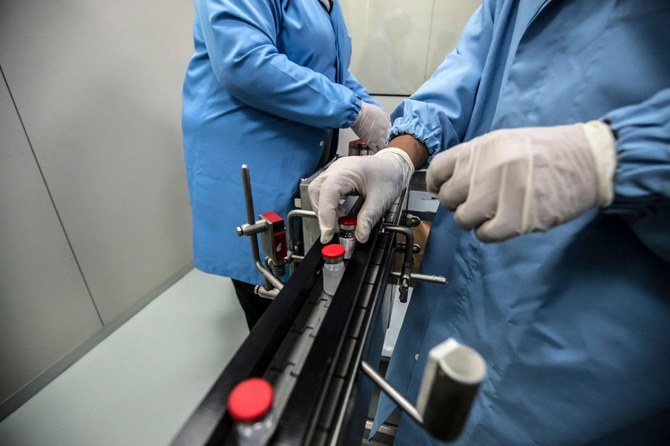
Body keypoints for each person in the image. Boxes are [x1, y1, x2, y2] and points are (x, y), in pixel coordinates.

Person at [308, 0, 670, 444]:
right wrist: (400, 154)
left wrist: (610, 157)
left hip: (592, 349)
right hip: (459, 294)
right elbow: (465, 71)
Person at [181, 0, 390, 329]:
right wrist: (354, 111)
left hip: (300, 165)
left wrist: (372, 111)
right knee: (267, 287)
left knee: (297, 283)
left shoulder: (327, 6)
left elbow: (333, 69)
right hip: (249, 160)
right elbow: (245, 61)